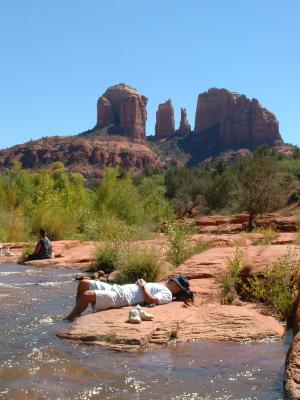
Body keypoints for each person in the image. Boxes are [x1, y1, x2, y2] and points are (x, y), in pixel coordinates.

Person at [64, 275, 193, 321]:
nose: (170, 280)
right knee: (83, 284)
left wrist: (143, 286)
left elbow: (151, 301)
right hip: (117, 288)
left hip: (122, 298)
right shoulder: (162, 286)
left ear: (177, 287)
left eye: (173, 281)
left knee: (87, 295)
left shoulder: (168, 295)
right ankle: (77, 313)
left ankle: (69, 319)